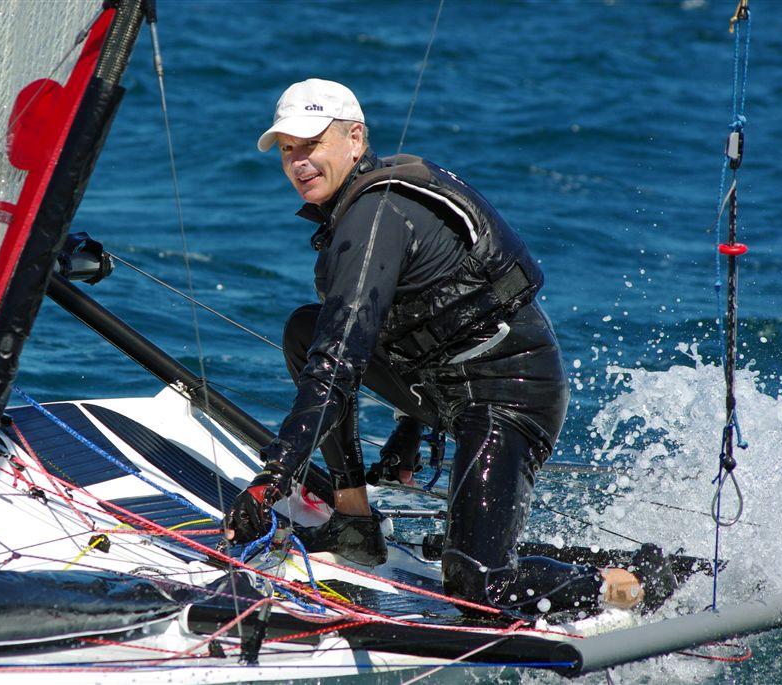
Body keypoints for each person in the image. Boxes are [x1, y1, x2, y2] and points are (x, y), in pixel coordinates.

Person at [222, 78, 676, 615]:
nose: (298, 162)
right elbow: (415, 325)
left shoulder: (376, 215)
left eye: (312, 144)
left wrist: (271, 480)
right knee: (307, 327)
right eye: (288, 150)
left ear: (355, 140)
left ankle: (638, 582)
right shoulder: (358, 211)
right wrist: (407, 430)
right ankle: (353, 524)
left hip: (510, 395)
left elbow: (339, 365)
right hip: (446, 387)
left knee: (477, 587)